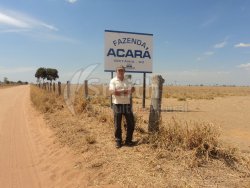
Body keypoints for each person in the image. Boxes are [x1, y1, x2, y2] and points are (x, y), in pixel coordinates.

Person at [109, 65, 135, 148]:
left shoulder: (128, 81)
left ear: (124, 71)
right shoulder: (113, 81)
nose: (120, 72)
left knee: (131, 123)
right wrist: (125, 91)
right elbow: (113, 92)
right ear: (116, 72)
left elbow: (132, 90)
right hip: (117, 104)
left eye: (122, 70)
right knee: (117, 124)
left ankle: (128, 141)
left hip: (127, 104)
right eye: (118, 70)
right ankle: (118, 141)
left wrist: (120, 91)